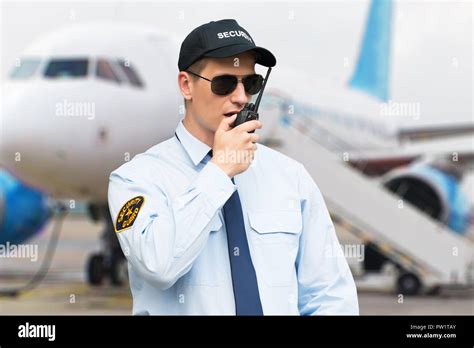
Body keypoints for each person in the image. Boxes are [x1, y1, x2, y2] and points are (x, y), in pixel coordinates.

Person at [108, 19, 359, 315]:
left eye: (250, 83)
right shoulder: (135, 179)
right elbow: (158, 265)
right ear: (186, 85)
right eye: (224, 83)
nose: (240, 97)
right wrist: (219, 171)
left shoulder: (291, 177)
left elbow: (329, 296)